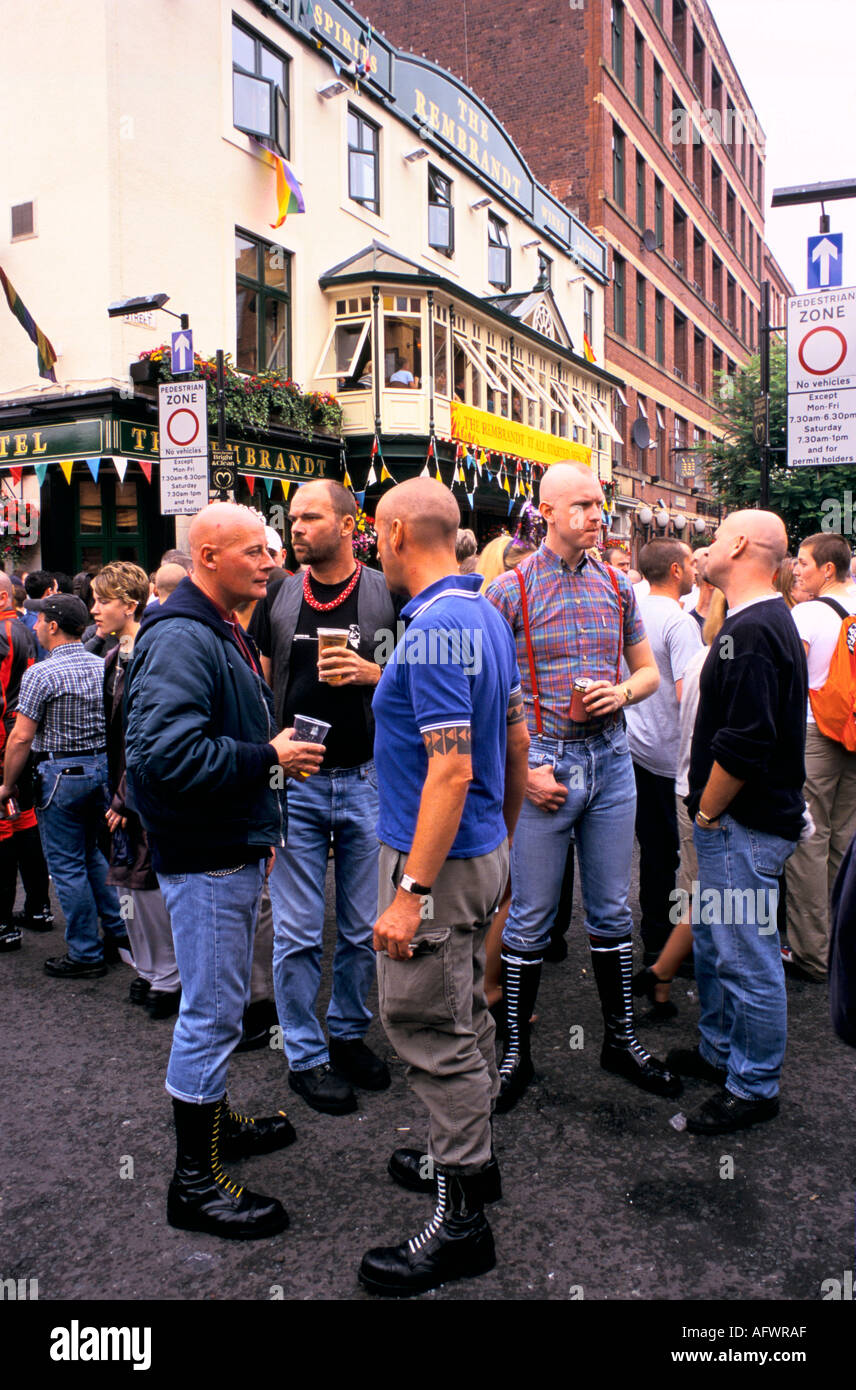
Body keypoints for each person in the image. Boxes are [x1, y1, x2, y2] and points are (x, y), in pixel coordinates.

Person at [124, 502, 325, 1239]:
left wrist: (257, 810)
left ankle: (214, 1130)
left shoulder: (219, 625)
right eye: (254, 552)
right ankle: (194, 1182)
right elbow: (163, 758)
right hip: (204, 857)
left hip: (224, 845)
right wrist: (269, 759)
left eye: (271, 551)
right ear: (208, 556)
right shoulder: (183, 635)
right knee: (209, 1016)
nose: (272, 562)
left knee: (222, 1003)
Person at [358, 478, 529, 1298]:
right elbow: (516, 738)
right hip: (479, 851)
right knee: (465, 1010)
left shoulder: (430, 631)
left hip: (441, 861)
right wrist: (503, 838)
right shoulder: (485, 613)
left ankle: (461, 1223)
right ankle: (472, 1164)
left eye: (372, 533)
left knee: (429, 1026)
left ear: (395, 533)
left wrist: (410, 889)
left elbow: (451, 767)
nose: (371, 546)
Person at [484, 461, 679, 1111]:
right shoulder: (507, 591)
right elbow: (480, 695)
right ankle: (514, 1053)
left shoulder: (619, 588)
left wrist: (619, 691)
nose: (599, 515)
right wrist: (520, 770)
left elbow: (647, 673)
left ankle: (619, 1041)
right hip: (544, 764)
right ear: (547, 512)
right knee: (532, 917)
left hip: (612, 761)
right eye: (586, 505)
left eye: (601, 504)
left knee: (611, 911)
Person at [250, 480, 397, 1114]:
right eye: (294, 518)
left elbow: (423, 678)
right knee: (299, 931)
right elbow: (260, 675)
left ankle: (348, 1034)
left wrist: (374, 672)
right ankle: (305, 1055)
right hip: (296, 784)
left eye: (310, 517)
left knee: (363, 927)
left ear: (347, 523)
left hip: (365, 777)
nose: (296, 527)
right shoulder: (282, 592)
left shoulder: (385, 593)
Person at [668, 509, 807, 1134]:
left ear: (743, 546)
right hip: (740, 823)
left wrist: (706, 810)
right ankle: (721, 1054)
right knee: (726, 949)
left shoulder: (753, 629)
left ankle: (754, 1085)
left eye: (718, 535)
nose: (706, 545)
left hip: (741, 824)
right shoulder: (759, 620)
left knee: (746, 956)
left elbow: (747, 742)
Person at [0, 593, 128, 976]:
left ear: (53, 625)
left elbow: (21, 737)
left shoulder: (41, 673)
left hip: (61, 775)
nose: (35, 626)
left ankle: (85, 953)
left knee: (68, 864)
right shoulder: (100, 663)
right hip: (101, 768)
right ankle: (120, 932)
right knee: (93, 856)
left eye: (39, 621)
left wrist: (7, 784)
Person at [91, 561, 181, 1019]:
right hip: (122, 787)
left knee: (146, 882)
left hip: (145, 789)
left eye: (102, 601)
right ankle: (151, 969)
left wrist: (127, 796)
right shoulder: (113, 656)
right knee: (128, 878)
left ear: (130, 605)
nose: (94, 610)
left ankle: (169, 976)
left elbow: (148, 731)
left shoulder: (151, 650)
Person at [625, 538, 702, 967]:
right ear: (675, 570)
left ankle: (655, 937)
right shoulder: (679, 622)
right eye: (690, 562)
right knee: (675, 855)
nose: (695, 570)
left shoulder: (632, 614)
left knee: (653, 852)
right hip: (670, 758)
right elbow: (688, 697)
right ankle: (670, 948)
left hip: (635, 749)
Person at [784, 532, 856, 983]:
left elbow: (790, 680)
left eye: (805, 563)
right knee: (845, 840)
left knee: (808, 840)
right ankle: (843, 941)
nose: (797, 570)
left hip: (814, 732)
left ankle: (813, 952)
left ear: (827, 569)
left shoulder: (808, 613)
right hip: (851, 730)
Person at [0, 574, 46, 952]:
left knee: (6, 827)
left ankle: (4, 924)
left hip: (7, 736)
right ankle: (38, 907)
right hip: (21, 733)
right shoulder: (26, 628)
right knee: (24, 819)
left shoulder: (5, 632)